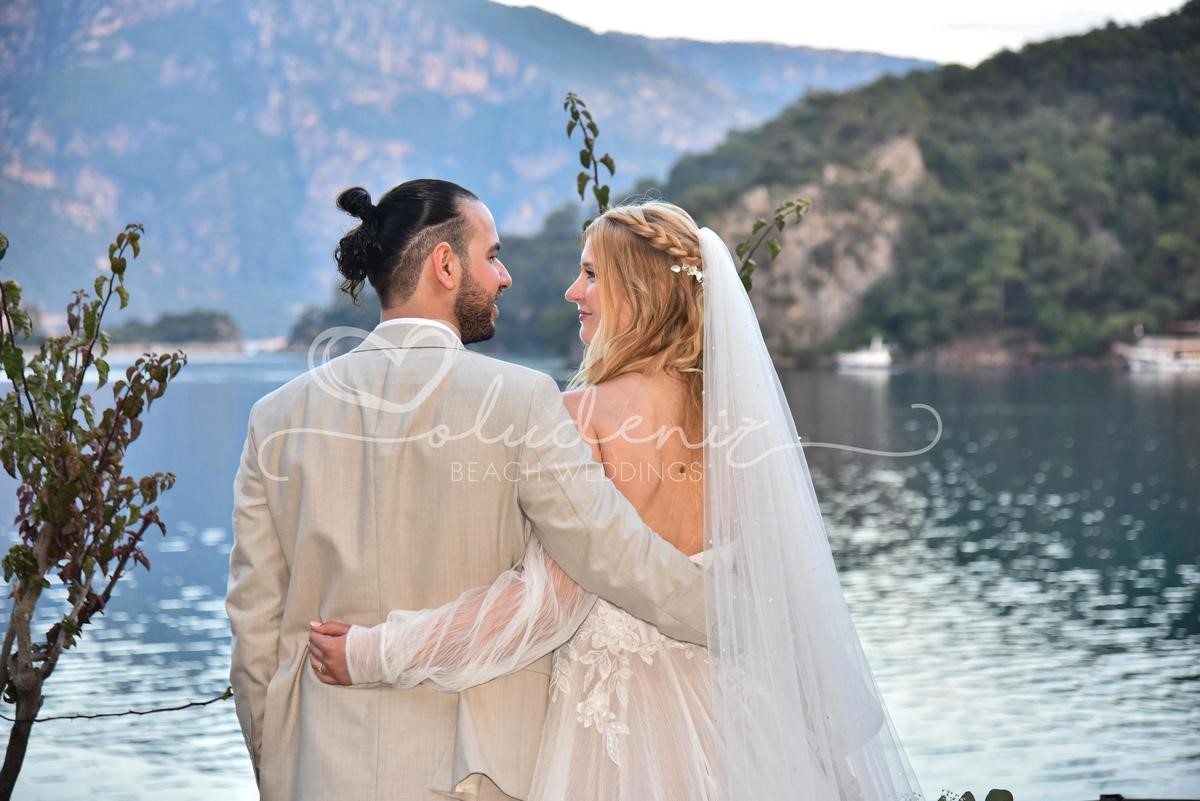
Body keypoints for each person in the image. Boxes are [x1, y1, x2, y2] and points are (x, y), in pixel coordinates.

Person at [310, 201, 927, 801]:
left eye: (591, 274)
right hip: (746, 714)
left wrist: (378, 651)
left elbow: (548, 605)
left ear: (641, 290)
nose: (572, 292)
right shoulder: (738, 420)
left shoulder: (584, 415)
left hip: (623, 727)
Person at [226, 181, 707, 801]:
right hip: (474, 775)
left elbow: (254, 633)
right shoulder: (524, 401)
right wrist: (740, 616)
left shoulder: (275, 418)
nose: (505, 277)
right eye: (492, 256)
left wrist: (277, 768)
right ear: (446, 266)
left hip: (319, 771)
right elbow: (614, 558)